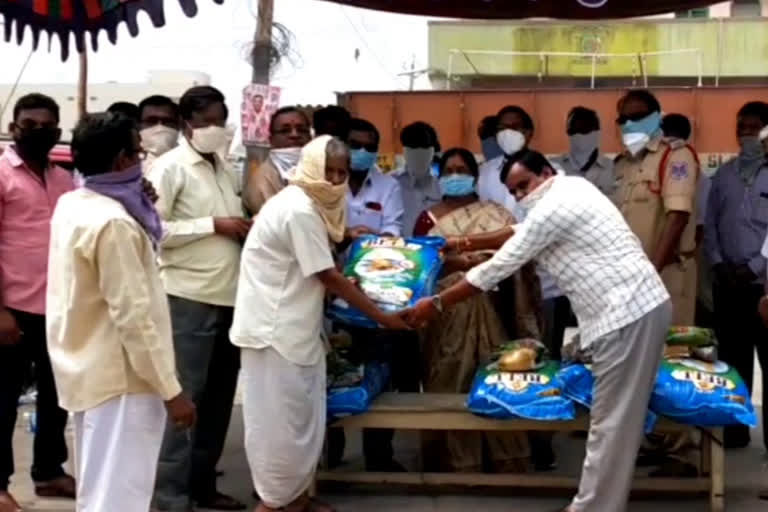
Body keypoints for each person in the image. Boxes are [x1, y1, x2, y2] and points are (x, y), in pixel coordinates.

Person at [406, 150, 672, 512]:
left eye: (524, 185)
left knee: (610, 424)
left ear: (546, 172)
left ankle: (592, 508)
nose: (520, 196)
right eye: (513, 192)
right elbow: (518, 230)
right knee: (616, 418)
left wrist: (436, 303)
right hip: (635, 309)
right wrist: (463, 243)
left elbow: (497, 268)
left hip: (625, 315)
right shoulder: (572, 189)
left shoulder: (552, 209)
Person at [231, 135, 409, 512]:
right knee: (280, 427)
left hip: (295, 330)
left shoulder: (311, 208)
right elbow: (326, 275)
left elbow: (316, 268)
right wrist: (382, 316)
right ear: (310, 167)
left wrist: (347, 247)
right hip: (275, 333)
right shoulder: (298, 210)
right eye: (326, 171)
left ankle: (296, 500)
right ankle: (274, 503)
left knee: (301, 421)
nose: (333, 180)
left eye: (341, 173)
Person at [46, 112, 195, 511]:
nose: (142, 160)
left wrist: (139, 199)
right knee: (119, 497)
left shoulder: (75, 203)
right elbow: (134, 318)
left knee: (101, 491)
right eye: (137, 153)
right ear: (120, 161)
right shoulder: (114, 223)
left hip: (90, 369)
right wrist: (171, 389)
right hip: (123, 377)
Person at [148, 86, 248, 512]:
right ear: (187, 122)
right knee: (184, 400)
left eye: (220, 120)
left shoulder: (224, 168)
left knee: (219, 399)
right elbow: (154, 230)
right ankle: (169, 497)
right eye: (206, 120)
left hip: (230, 297)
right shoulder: (169, 168)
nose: (215, 129)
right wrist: (213, 225)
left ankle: (203, 484)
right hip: (187, 296)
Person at [412, 147, 539, 473]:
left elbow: (519, 254)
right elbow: (418, 266)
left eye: (462, 169)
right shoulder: (428, 219)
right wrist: (455, 263)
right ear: (440, 176)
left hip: (495, 309)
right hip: (445, 317)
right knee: (451, 380)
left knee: (497, 378)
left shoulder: (497, 213)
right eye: (449, 170)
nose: (456, 175)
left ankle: (506, 459)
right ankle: (454, 461)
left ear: (474, 175)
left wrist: (484, 264)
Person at [0, 93, 76, 512]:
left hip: (58, 308)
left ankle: (49, 472)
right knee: (3, 399)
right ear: (14, 128)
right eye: (30, 125)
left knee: (56, 394)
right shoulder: (1, 175)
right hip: (12, 308)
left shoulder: (64, 178)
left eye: (49, 125)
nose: (40, 131)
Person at [705, 101, 768, 450]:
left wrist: (755, 267)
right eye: (741, 127)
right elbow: (711, 223)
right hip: (728, 282)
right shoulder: (724, 175)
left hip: (764, 285)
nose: (746, 133)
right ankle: (734, 432)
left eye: (754, 127)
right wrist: (718, 263)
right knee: (732, 362)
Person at [614, 89, 700, 326]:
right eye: (624, 120)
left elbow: (678, 216)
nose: (630, 124)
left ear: (656, 117)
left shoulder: (675, 156)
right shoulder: (622, 165)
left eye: (638, 117)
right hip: (630, 280)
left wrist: (651, 272)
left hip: (665, 274)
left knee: (670, 353)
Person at [242, 106, 312, 215]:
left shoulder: (324, 170)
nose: (295, 135)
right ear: (271, 139)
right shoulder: (260, 182)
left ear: (310, 136)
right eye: (285, 131)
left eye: (301, 130)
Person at [345, 118, 404, 238]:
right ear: (343, 145)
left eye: (369, 147)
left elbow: (392, 226)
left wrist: (379, 242)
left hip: (375, 254)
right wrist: (347, 236)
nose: (362, 151)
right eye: (355, 145)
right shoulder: (329, 182)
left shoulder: (389, 186)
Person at [477, 105, 533, 216]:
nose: (508, 132)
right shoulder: (484, 171)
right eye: (502, 128)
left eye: (515, 126)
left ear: (528, 132)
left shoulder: (549, 170)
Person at [550, 106, 615, 197]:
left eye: (585, 129)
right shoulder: (553, 167)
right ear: (568, 133)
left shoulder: (612, 167)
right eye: (574, 130)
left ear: (597, 131)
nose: (579, 134)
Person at [392, 121, 442, 237]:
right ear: (405, 150)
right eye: (413, 146)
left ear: (432, 150)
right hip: (399, 249)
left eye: (424, 147)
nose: (419, 152)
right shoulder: (391, 183)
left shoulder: (441, 185)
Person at [138, 95, 180, 173]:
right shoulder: (126, 165)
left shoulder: (190, 160)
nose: (160, 127)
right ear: (138, 125)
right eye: (151, 121)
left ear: (178, 125)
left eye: (167, 121)